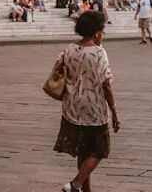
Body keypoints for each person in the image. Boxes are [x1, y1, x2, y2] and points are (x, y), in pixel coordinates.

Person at [54, 10, 119, 192]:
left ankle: (85, 189)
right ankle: (75, 185)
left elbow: (58, 69)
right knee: (99, 150)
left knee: (83, 151)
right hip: (94, 108)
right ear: (97, 30)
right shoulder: (99, 53)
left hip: (72, 107)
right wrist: (113, 110)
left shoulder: (69, 49)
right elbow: (106, 85)